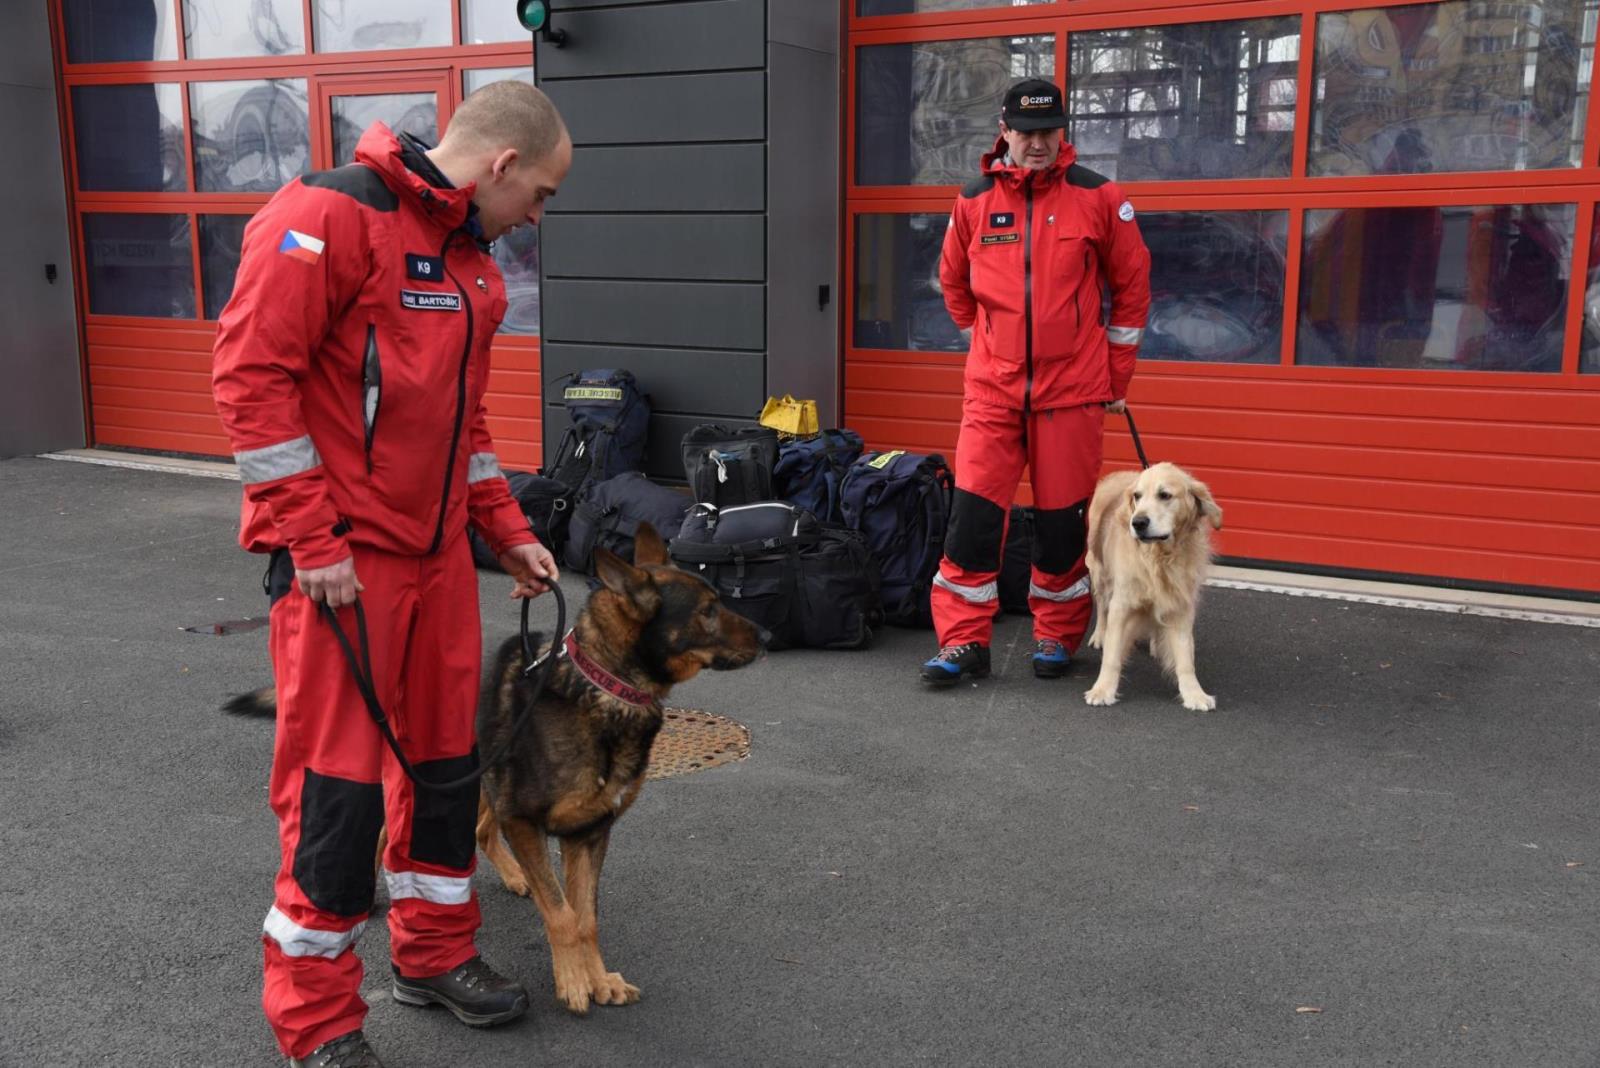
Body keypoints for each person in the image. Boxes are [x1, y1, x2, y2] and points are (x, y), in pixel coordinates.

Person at [211, 81, 572, 1067]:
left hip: (435, 563)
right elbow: (251, 379)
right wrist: (313, 541)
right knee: (337, 798)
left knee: (446, 774)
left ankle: (433, 955)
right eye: (537, 194)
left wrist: (503, 529)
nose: (536, 216)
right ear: (499, 166)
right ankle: (317, 1020)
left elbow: (467, 425)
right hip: (343, 571)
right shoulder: (326, 216)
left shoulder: (467, 261)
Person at [921, 78, 1151, 687]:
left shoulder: (1100, 198)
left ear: (1063, 132)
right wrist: (988, 342)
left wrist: (1114, 376)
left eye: (1049, 131)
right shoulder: (972, 201)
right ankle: (963, 642)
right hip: (992, 394)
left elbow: (1131, 291)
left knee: (1060, 524)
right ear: (1005, 131)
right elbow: (953, 284)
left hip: (1071, 393)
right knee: (970, 521)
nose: (1038, 143)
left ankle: (1056, 633)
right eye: (1026, 132)